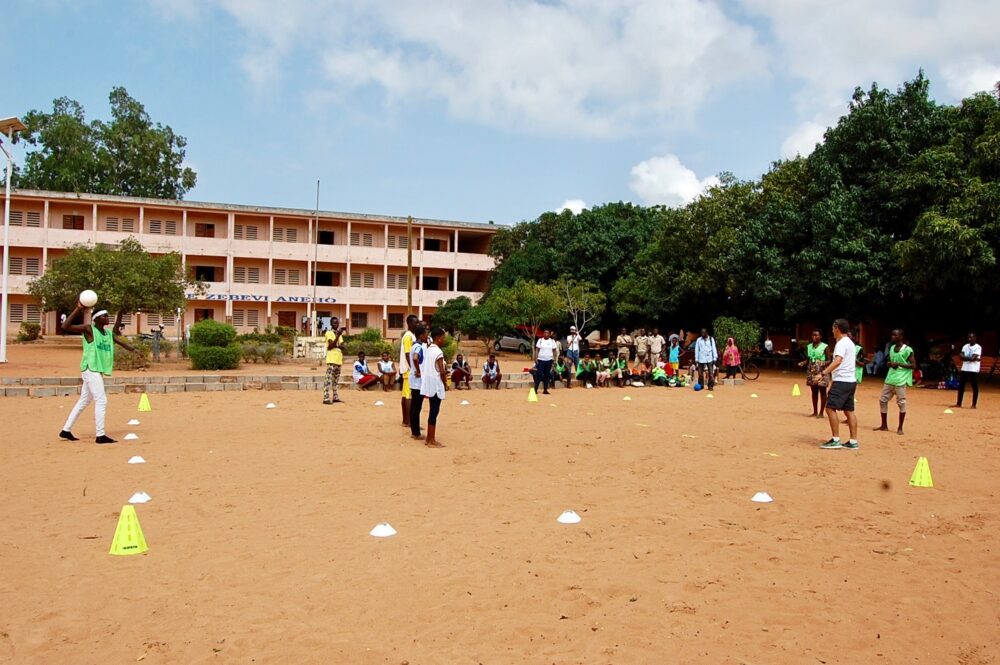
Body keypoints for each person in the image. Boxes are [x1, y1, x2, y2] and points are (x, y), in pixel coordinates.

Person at [59, 304, 140, 444]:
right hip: (90, 368)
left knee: (84, 401)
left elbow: (122, 343)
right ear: (96, 319)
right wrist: (78, 308)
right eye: (104, 316)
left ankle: (66, 430)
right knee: (101, 400)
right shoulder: (89, 329)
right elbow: (65, 326)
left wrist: (134, 350)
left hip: (97, 370)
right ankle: (100, 435)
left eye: (107, 315)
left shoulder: (108, 334)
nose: (108, 318)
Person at [819, 318, 859, 449]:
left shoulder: (841, 343)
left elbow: (837, 361)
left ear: (837, 328)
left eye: (832, 328)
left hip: (841, 381)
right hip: (851, 381)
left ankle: (835, 439)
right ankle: (853, 441)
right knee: (849, 411)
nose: (832, 331)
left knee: (830, 408)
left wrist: (823, 373)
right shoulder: (850, 342)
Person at [874, 328, 915, 435]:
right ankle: (884, 425)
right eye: (892, 335)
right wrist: (890, 364)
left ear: (901, 336)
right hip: (890, 378)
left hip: (901, 380)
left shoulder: (907, 350)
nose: (892, 337)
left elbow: (913, 365)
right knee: (883, 400)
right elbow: (891, 361)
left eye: (895, 335)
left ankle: (900, 427)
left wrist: (899, 364)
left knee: (901, 403)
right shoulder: (892, 348)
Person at [420, 327, 449, 448]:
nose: (444, 339)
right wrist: (445, 383)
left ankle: (429, 438)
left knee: (432, 410)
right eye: (443, 337)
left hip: (429, 383)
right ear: (439, 338)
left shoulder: (428, 350)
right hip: (436, 384)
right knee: (434, 411)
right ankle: (431, 439)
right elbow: (441, 371)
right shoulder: (438, 352)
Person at [798, 329, 831, 417]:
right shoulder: (808, 346)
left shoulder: (825, 346)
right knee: (814, 391)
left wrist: (823, 363)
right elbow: (808, 359)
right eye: (813, 335)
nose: (814, 337)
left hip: (821, 370)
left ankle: (821, 413)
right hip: (811, 370)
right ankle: (815, 411)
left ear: (820, 336)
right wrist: (803, 362)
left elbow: (829, 360)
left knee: (822, 391)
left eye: (816, 335)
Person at [408, 325, 428, 440]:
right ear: (421, 335)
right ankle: (416, 433)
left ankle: (414, 430)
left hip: (414, 379)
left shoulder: (414, 345)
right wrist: (419, 371)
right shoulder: (418, 347)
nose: (427, 336)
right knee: (417, 406)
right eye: (426, 334)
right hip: (417, 381)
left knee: (414, 406)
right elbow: (416, 358)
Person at [399, 315, 418, 426]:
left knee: (405, 395)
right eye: (416, 322)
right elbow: (408, 354)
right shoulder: (408, 337)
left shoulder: (411, 336)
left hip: (407, 369)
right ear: (409, 323)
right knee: (408, 396)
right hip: (408, 369)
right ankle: (409, 421)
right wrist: (413, 368)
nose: (417, 324)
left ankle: (405, 420)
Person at [955, 332, 982, 409]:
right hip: (965, 368)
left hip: (973, 369)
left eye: (971, 337)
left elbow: (972, 358)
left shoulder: (978, 347)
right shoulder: (965, 346)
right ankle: (958, 403)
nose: (970, 339)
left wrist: (967, 358)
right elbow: (961, 357)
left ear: (975, 338)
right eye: (969, 337)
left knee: (974, 385)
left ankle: (974, 404)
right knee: (961, 385)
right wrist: (973, 359)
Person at [323, 317, 347, 404]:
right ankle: (326, 398)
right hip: (331, 359)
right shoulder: (329, 333)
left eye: (337, 323)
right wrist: (337, 337)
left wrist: (338, 344)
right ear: (331, 324)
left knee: (336, 380)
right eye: (334, 323)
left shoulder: (339, 334)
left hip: (338, 359)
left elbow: (343, 346)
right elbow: (330, 346)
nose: (336, 324)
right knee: (328, 379)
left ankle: (335, 397)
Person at [534, 329, 558, 395]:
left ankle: (545, 390)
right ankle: (535, 389)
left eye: (547, 333)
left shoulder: (552, 341)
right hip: (541, 360)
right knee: (539, 374)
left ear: (549, 334)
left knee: (547, 375)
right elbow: (537, 349)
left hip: (549, 360)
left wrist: (554, 359)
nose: (545, 334)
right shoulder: (540, 340)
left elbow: (554, 351)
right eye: (544, 333)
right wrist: (535, 358)